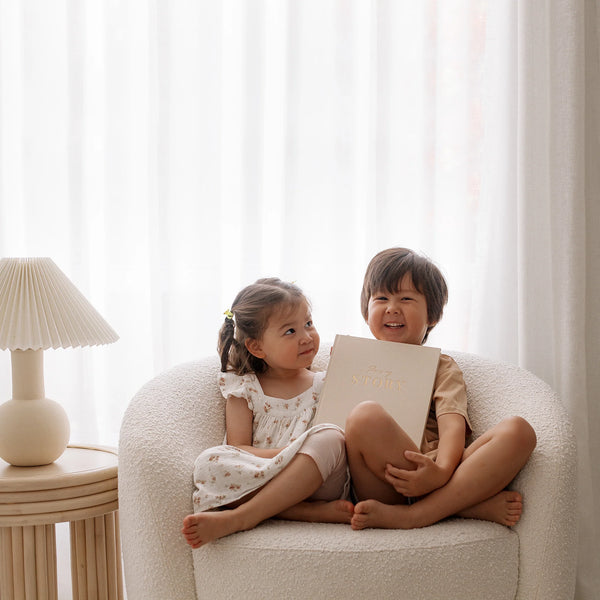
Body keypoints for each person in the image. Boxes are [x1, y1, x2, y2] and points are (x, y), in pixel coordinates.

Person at [345, 247, 537, 531]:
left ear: (431, 316)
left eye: (406, 298)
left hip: (438, 472)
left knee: (519, 431)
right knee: (365, 416)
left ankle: (420, 513)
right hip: (379, 482)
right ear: (366, 311)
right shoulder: (350, 359)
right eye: (381, 298)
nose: (392, 307)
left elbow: (452, 425)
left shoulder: (441, 367)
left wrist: (441, 471)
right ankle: (460, 506)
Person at [182, 278, 353, 548]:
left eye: (308, 324)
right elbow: (239, 447)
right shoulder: (244, 388)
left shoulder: (325, 382)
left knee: (331, 437)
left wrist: (348, 370)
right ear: (257, 347)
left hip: (318, 481)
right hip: (266, 473)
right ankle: (294, 511)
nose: (306, 337)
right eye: (290, 331)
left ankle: (243, 517)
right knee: (209, 460)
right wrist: (286, 457)